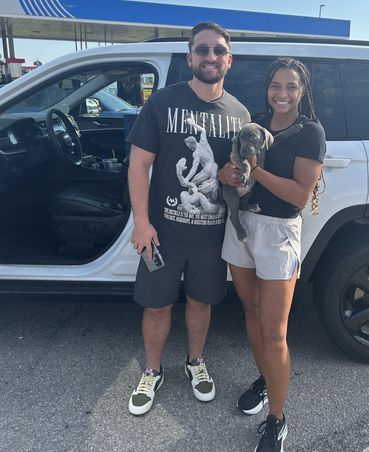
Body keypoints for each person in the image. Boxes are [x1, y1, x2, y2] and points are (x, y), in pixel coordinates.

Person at [126, 21, 250, 416]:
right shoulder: (163, 103)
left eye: (218, 50)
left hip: (212, 236)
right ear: (190, 57)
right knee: (156, 306)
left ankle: (195, 362)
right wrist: (141, 222)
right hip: (162, 234)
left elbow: (240, 175)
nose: (210, 57)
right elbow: (138, 164)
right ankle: (152, 370)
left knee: (201, 302)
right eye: (202, 50)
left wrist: (234, 177)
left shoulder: (239, 113)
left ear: (229, 59)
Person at [220, 57, 326, 451]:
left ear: (302, 91)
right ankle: (266, 381)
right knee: (250, 313)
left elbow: (299, 195)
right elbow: (234, 168)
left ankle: (277, 419)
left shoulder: (310, 132)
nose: (282, 93)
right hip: (242, 225)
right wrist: (228, 173)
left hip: (279, 232)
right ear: (267, 89)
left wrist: (254, 169)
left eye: (291, 86)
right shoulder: (256, 123)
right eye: (275, 85)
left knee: (274, 332)